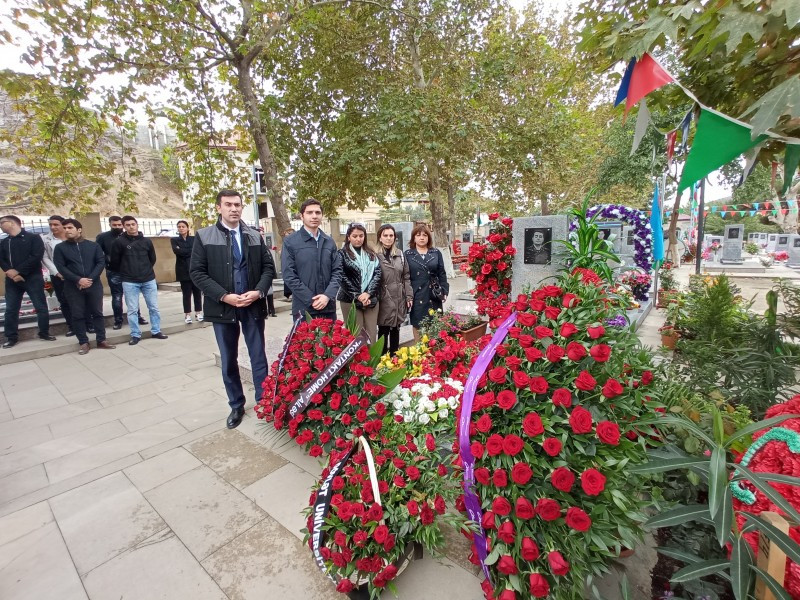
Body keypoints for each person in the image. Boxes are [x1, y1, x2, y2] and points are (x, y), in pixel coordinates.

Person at [190, 189, 275, 429]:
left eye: (237, 204)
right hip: (223, 308)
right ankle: (236, 404)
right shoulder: (204, 236)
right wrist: (223, 296)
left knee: (259, 356)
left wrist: (258, 291)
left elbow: (269, 269)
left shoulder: (254, 236)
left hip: (252, 305)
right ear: (219, 208)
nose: (234, 208)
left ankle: (264, 401)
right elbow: (197, 272)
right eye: (228, 204)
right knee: (228, 359)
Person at [53, 219, 116, 355]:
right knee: (77, 315)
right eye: (65, 228)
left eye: (70, 227)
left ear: (79, 229)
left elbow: (100, 262)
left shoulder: (93, 246)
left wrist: (89, 279)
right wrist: (78, 280)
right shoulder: (60, 248)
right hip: (73, 286)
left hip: (93, 285)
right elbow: (61, 267)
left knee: (98, 313)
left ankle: (101, 340)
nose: (67, 230)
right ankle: (83, 342)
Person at [109, 215, 167, 345]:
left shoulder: (146, 241)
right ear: (124, 227)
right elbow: (115, 262)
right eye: (128, 225)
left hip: (148, 279)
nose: (131, 227)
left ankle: (156, 330)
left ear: (137, 225)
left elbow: (152, 259)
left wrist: (145, 270)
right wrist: (128, 271)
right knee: (132, 309)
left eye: (133, 224)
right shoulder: (119, 242)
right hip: (129, 281)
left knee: (154, 307)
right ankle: (135, 334)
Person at [0, 215, 56, 348]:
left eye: (2, 222)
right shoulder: (4, 242)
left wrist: (19, 271)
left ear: (13, 223)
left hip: (32, 278)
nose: (0, 225)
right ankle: (11, 337)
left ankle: (44, 332)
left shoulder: (33, 238)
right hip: (12, 280)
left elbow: (36, 257)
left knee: (40, 307)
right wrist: (11, 273)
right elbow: (2, 259)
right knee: (11, 309)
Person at [281, 198, 342, 320]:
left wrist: (327, 296)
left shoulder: (329, 242)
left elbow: (338, 271)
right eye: (309, 212)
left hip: (328, 308)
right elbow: (289, 275)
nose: (314, 216)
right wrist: (311, 299)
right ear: (301, 216)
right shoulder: (291, 242)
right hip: (304, 309)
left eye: (317, 212)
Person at [41, 215, 91, 337]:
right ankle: (72, 326)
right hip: (58, 275)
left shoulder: (74, 239)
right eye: (51, 225)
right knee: (64, 301)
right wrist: (57, 272)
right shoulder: (46, 239)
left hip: (78, 275)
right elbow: (45, 257)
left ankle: (89, 324)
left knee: (85, 298)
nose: (53, 227)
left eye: (56, 224)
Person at [97, 216, 147, 330]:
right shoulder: (103, 237)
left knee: (133, 295)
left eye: (119, 225)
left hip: (129, 270)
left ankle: (138, 316)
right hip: (114, 271)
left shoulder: (128, 237)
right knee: (117, 296)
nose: (117, 227)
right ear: (110, 224)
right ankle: (118, 320)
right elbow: (98, 253)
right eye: (114, 225)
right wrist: (107, 263)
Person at [337, 223, 381, 342]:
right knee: (355, 334)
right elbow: (342, 277)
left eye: (361, 236)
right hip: (349, 299)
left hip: (370, 299)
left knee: (371, 333)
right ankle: (358, 360)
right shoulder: (342, 254)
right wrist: (358, 295)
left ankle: (372, 359)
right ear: (348, 237)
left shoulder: (371, 254)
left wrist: (368, 293)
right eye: (355, 236)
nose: (358, 239)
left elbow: (377, 274)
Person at [405, 224, 449, 340]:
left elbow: (442, 273)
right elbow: (405, 277)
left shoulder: (435, 253)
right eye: (418, 235)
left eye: (425, 235)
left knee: (434, 322)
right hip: (417, 293)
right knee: (418, 323)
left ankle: (435, 351)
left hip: (433, 293)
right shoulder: (408, 255)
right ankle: (419, 350)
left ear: (429, 237)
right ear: (414, 238)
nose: (422, 238)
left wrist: (444, 290)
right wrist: (407, 295)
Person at [376, 224, 412, 356]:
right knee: (383, 328)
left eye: (391, 235)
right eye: (385, 235)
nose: (388, 238)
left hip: (399, 297)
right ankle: (382, 358)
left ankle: (394, 357)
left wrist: (409, 296)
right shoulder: (375, 255)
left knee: (396, 328)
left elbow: (406, 277)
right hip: (384, 298)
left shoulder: (400, 255)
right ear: (380, 237)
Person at [171, 220, 203, 324]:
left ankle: (198, 312)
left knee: (197, 293)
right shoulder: (174, 240)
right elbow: (178, 252)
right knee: (186, 294)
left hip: (194, 269)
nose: (181, 228)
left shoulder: (194, 239)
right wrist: (187, 251)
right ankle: (187, 314)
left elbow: (196, 252)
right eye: (179, 227)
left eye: (183, 226)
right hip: (183, 270)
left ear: (188, 228)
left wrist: (184, 251)